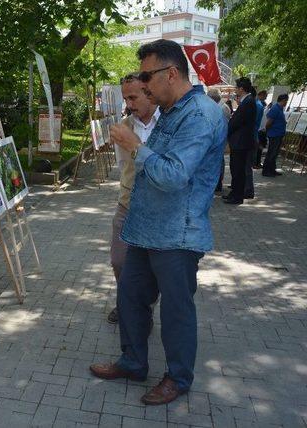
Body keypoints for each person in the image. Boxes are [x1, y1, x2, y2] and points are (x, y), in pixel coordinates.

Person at [90, 39, 227, 406]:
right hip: (145, 230)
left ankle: (178, 378)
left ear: (171, 73)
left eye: (148, 76)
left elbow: (174, 175)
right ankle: (133, 361)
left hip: (177, 237)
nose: (144, 85)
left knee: (177, 311)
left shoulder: (200, 115)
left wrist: (136, 146)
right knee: (131, 297)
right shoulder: (171, 109)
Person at [107, 72, 160, 325]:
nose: (129, 104)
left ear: (148, 92)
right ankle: (126, 302)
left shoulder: (168, 124)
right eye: (125, 98)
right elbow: (123, 167)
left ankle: (142, 307)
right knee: (119, 261)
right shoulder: (123, 127)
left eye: (133, 97)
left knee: (151, 268)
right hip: (127, 205)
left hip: (159, 209)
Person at [223, 77, 257, 205]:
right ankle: (234, 193)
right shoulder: (246, 101)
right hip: (239, 142)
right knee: (235, 169)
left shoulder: (248, 102)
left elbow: (237, 122)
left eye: (236, 88)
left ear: (241, 89)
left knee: (238, 170)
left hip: (241, 143)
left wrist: (228, 127)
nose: (235, 90)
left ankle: (237, 196)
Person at [207, 89, 231, 194]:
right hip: (217, 138)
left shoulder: (222, 108)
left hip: (219, 139)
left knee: (218, 162)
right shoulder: (221, 107)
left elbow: (221, 126)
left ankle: (217, 184)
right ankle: (216, 184)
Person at [262, 94, 289, 177]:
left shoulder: (279, 109)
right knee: (271, 153)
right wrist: (268, 131)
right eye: (286, 101)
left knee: (275, 153)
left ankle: (272, 169)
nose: (286, 103)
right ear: (283, 100)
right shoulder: (275, 108)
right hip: (274, 134)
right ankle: (266, 171)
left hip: (278, 134)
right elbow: (269, 122)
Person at [254, 90, 268, 168]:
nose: (265, 98)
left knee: (259, 147)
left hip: (259, 129)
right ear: (261, 95)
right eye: (265, 96)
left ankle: (257, 162)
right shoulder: (259, 105)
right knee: (259, 147)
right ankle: (256, 163)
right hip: (259, 130)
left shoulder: (258, 104)